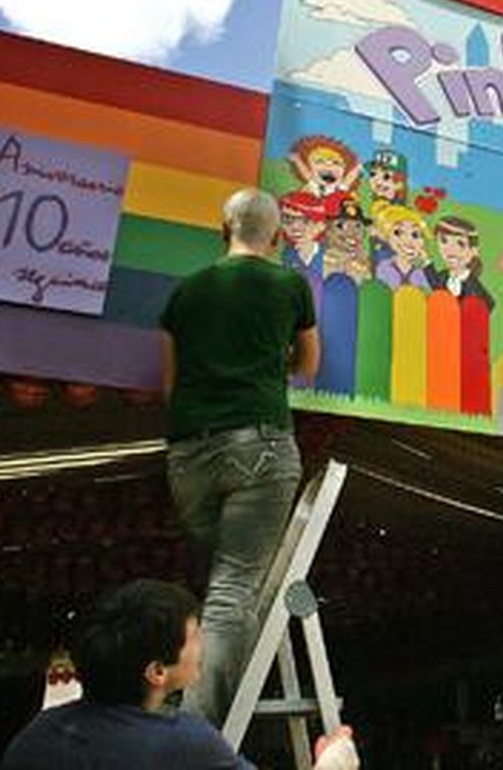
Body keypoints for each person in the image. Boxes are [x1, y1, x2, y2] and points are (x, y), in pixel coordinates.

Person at [160, 189, 320, 726]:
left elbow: (170, 381)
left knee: (221, 585)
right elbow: (309, 363)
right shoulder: (288, 284)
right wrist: (270, 368)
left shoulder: (185, 293)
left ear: (220, 229)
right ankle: (200, 731)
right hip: (260, 445)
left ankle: (190, 697)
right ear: (276, 237)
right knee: (233, 592)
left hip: (188, 454)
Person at [0, 579, 252, 768]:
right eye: (195, 637)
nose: (202, 645)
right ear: (157, 672)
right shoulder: (185, 743)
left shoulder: (39, 733)